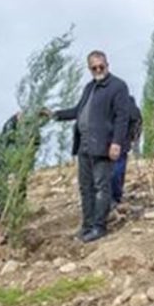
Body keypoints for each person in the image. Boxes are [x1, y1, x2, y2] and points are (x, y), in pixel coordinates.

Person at [54, 50, 131, 243]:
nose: (98, 70)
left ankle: (99, 226)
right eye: (94, 67)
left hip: (103, 146)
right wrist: (54, 115)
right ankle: (87, 226)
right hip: (84, 146)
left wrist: (116, 142)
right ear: (89, 68)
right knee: (85, 187)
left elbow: (123, 117)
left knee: (101, 187)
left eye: (101, 66)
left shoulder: (118, 86)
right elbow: (77, 110)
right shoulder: (89, 87)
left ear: (107, 64)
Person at [0, 109, 49, 225]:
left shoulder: (33, 128)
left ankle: (17, 213)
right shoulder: (11, 125)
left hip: (21, 160)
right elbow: (7, 144)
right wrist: (18, 158)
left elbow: (35, 144)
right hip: (3, 158)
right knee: (1, 188)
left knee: (21, 186)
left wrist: (27, 158)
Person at [111, 95, 142, 205]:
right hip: (124, 143)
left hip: (114, 142)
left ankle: (113, 195)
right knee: (119, 169)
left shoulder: (115, 107)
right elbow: (138, 125)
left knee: (114, 169)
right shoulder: (135, 110)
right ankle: (117, 194)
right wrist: (134, 139)